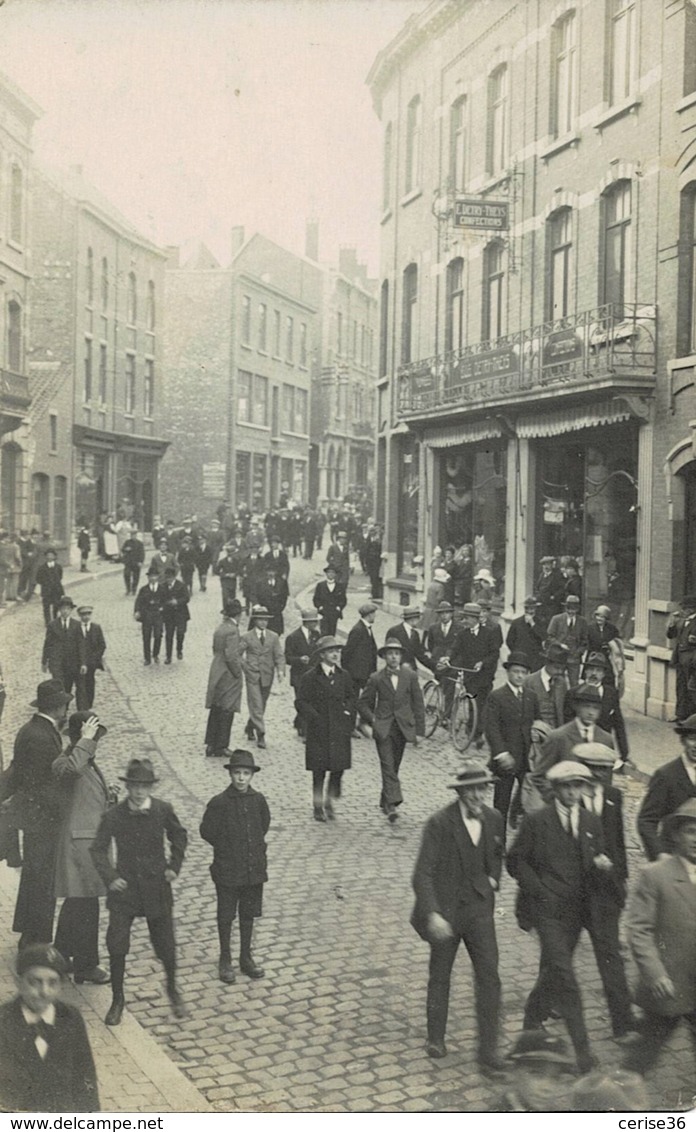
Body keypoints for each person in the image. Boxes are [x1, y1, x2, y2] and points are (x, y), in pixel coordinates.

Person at [507, 760, 613, 1074]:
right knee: (566, 977)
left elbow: (595, 862)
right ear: (555, 790)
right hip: (546, 912)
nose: (571, 792)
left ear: (584, 788)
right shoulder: (538, 821)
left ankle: (531, 1019)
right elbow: (515, 861)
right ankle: (582, 1053)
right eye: (565, 786)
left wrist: (601, 866)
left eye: (577, 786)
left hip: (577, 912)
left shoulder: (592, 821)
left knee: (553, 971)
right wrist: (539, 890)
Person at [410, 762, 506, 1076]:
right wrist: (433, 914)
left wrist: (493, 879)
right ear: (461, 791)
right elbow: (422, 874)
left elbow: (496, 854)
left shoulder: (494, 819)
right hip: (447, 912)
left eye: (483, 788)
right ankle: (435, 1037)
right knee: (440, 974)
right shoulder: (439, 823)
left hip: (479, 911)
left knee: (489, 976)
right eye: (472, 789)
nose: (478, 795)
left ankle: (489, 1050)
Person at [90, 758, 188, 1026]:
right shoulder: (113, 815)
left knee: (166, 944)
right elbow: (97, 849)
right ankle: (118, 999)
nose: (139, 792)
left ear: (150, 787)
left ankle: (172, 988)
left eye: (144, 786)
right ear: (128, 786)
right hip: (125, 891)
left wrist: (173, 866)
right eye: (134, 786)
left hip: (157, 887)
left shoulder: (162, 810)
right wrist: (110, 877)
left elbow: (179, 836)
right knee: (117, 945)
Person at [624, 798, 696, 1077]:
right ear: (677, 835)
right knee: (645, 1052)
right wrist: (655, 974)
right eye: (691, 831)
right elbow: (639, 930)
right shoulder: (656, 876)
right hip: (668, 983)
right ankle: (614, 1103)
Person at [571, 742, 636, 1041]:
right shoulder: (566, 798)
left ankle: (623, 1025)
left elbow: (618, 844)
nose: (601, 775)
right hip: (572, 895)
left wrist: (620, 882)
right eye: (595, 769)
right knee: (557, 962)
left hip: (604, 895)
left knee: (611, 958)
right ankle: (538, 1016)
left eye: (606, 770)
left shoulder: (614, 797)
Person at [0, 943, 99, 1112]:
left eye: (52, 983)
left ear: (61, 985)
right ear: (18, 982)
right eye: (34, 982)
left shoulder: (70, 1018)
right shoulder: (4, 1020)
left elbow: (85, 1076)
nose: (44, 991)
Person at [200, 749, 270, 984]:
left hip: (252, 869)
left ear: (252, 776)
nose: (241, 778)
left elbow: (263, 825)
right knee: (226, 914)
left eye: (246, 774)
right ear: (230, 775)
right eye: (237, 773)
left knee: (248, 914)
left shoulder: (258, 800)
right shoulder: (220, 803)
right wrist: (227, 847)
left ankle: (245, 957)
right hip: (228, 869)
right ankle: (225, 958)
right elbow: (207, 831)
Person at [11, 680, 72, 948]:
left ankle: (28, 932)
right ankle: (37, 938)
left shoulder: (33, 729)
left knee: (34, 876)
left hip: (33, 817)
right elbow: (45, 782)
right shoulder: (42, 736)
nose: (67, 707)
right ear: (57, 705)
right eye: (65, 703)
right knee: (43, 880)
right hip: (43, 819)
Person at [52, 712, 111, 986]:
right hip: (80, 845)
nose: (97, 741)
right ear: (81, 737)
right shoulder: (65, 763)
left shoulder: (87, 762)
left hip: (90, 843)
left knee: (79, 903)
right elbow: (72, 773)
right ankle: (86, 965)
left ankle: (60, 957)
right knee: (85, 904)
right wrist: (85, 741)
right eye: (94, 736)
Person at [358, 638, 425, 822]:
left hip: (403, 728)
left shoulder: (409, 676)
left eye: (396, 654)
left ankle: (385, 799)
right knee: (387, 764)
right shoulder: (376, 678)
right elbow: (363, 703)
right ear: (384, 657)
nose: (393, 657)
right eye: (390, 654)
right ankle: (393, 804)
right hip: (384, 728)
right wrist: (373, 720)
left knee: (394, 765)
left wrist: (420, 731)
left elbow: (418, 703)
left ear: (401, 656)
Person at [296, 636, 356, 822]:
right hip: (319, 730)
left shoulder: (344, 675)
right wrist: (314, 718)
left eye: (337, 651)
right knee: (319, 769)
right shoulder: (311, 677)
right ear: (322, 655)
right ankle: (318, 805)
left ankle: (329, 798)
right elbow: (301, 701)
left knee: (338, 768)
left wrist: (347, 714)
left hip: (339, 729)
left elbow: (352, 698)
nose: (335, 654)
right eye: (331, 651)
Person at [484, 651, 539, 836]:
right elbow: (491, 728)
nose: (520, 676)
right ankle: (498, 846)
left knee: (530, 802)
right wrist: (501, 754)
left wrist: (537, 746)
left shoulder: (531, 697)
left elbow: (537, 725)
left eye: (523, 672)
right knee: (501, 805)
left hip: (526, 761)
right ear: (508, 672)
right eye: (516, 671)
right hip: (505, 761)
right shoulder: (497, 696)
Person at [636, 713, 696, 860]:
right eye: (692, 739)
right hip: (674, 858)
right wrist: (660, 853)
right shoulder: (666, 775)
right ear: (683, 740)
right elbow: (646, 821)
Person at [535, 684, 614, 784]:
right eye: (586, 706)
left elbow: (607, 780)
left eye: (595, 708)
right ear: (576, 707)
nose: (591, 712)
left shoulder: (606, 739)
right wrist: (556, 797)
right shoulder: (558, 737)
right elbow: (539, 776)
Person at [564, 652, 630, 769]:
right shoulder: (573, 693)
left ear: (604, 674)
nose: (594, 673)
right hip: (579, 749)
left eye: (598, 670)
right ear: (585, 672)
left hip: (602, 749)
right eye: (591, 669)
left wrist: (624, 753)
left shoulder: (610, 694)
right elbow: (567, 723)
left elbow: (618, 723)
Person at [240, 605, 285, 749]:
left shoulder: (273, 636)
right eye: (260, 619)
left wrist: (280, 671)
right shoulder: (247, 637)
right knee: (257, 704)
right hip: (252, 675)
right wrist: (246, 668)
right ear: (255, 621)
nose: (263, 622)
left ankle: (249, 725)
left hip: (267, 675)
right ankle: (261, 734)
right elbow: (237, 654)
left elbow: (279, 655)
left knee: (261, 704)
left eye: (265, 620)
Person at [205, 599, 244, 757]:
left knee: (216, 707)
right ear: (239, 614)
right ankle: (222, 745)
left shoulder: (221, 628)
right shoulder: (233, 630)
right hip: (228, 673)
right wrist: (237, 673)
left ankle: (210, 744)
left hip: (217, 669)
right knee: (227, 709)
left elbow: (217, 649)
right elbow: (231, 656)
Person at [285, 608, 321, 739]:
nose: (316, 623)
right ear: (307, 622)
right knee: (303, 701)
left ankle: (300, 723)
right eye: (314, 621)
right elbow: (287, 658)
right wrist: (299, 660)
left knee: (311, 701)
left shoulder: (317, 635)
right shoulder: (293, 637)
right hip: (298, 675)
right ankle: (306, 732)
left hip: (313, 675)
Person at [42, 596, 81, 699]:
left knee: (68, 685)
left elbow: (80, 645)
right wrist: (44, 661)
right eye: (63, 609)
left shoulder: (77, 625)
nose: (65, 611)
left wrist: (82, 661)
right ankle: (61, 709)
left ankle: (65, 704)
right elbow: (48, 644)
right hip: (56, 660)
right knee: (58, 683)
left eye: (68, 609)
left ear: (71, 610)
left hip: (71, 661)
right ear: (59, 610)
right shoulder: (52, 625)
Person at [546, 595, 589, 688]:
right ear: (565, 608)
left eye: (573, 609)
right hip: (558, 658)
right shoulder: (556, 619)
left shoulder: (582, 622)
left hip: (574, 659)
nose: (571, 612)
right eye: (569, 609)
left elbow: (585, 641)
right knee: (556, 683)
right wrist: (560, 645)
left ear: (577, 609)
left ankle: (572, 702)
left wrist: (578, 652)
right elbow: (550, 637)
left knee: (574, 684)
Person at [342, 602, 378, 708]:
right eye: (374, 614)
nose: (375, 616)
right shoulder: (358, 630)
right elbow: (347, 651)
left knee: (369, 697)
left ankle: (365, 720)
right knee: (356, 699)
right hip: (358, 674)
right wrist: (347, 672)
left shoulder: (366, 628)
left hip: (365, 671)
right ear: (369, 615)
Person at [523, 643, 569, 730]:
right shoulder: (529, 682)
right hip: (535, 730)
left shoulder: (562, 683)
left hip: (557, 731)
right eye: (557, 668)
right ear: (547, 663)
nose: (560, 671)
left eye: (562, 669)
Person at [666, 594, 696, 722]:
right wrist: (672, 624)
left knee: (691, 689)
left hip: (691, 660)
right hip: (680, 658)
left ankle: (691, 718)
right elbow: (670, 636)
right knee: (680, 686)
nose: (682, 611)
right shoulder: (681, 620)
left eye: (684, 608)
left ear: (692, 609)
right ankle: (680, 714)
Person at [74, 604, 106, 711]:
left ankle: (89, 703)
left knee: (90, 683)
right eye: (83, 615)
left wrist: (94, 659)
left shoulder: (96, 628)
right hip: (78, 662)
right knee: (80, 684)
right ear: (79, 616)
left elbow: (102, 645)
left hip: (92, 662)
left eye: (88, 614)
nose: (86, 617)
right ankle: (81, 707)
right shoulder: (76, 628)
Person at [134, 564, 165, 666]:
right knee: (146, 636)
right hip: (147, 615)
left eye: (155, 576)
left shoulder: (162, 588)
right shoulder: (144, 589)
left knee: (158, 635)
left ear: (158, 577)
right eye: (150, 576)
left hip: (158, 615)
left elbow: (166, 600)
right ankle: (147, 658)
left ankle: (155, 654)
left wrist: (163, 608)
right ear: (148, 577)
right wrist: (137, 611)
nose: (152, 578)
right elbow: (138, 601)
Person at [506, 597, 545, 675]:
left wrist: (533, 624)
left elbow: (543, 636)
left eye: (532, 609)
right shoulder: (516, 622)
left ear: (535, 609)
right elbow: (509, 640)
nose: (529, 611)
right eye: (527, 608)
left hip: (535, 658)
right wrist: (517, 651)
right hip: (521, 657)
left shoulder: (541, 622)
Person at [160, 564, 190, 663]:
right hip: (169, 615)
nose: (168, 580)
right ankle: (168, 656)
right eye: (166, 577)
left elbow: (186, 598)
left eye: (170, 578)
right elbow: (160, 599)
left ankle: (179, 649)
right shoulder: (162, 587)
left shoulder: (181, 585)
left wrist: (177, 601)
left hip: (181, 614)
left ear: (174, 577)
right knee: (169, 635)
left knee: (180, 633)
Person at [312, 563, 347, 636]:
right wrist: (319, 606)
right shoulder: (320, 585)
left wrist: (339, 607)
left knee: (332, 631)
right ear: (326, 574)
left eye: (332, 572)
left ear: (335, 574)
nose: (330, 574)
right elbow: (316, 598)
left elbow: (343, 599)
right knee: (324, 632)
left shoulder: (340, 586)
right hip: (324, 612)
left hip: (334, 612)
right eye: (329, 572)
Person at [255, 566, 289, 637]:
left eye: (273, 571)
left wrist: (280, 607)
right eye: (269, 571)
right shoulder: (260, 583)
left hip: (276, 613)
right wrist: (258, 606)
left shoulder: (282, 582)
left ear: (276, 572)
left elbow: (284, 596)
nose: (271, 574)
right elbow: (254, 595)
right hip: (264, 612)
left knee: (276, 633)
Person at [36, 549, 64, 627]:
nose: (50, 557)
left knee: (56, 605)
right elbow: (38, 578)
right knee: (46, 606)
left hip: (56, 590)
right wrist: (45, 584)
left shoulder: (58, 567)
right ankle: (47, 621)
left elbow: (60, 576)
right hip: (46, 590)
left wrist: (56, 584)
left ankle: (55, 619)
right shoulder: (42, 567)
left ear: (54, 556)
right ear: (45, 557)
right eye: (48, 555)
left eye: (51, 555)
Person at [536, 556, 566, 629]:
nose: (546, 567)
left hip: (552, 605)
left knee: (551, 623)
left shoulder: (557, 576)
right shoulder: (541, 575)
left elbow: (562, 589)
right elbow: (537, 588)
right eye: (544, 565)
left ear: (552, 565)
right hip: (542, 604)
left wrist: (554, 596)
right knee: (541, 623)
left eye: (548, 564)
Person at [120, 528, 145, 596]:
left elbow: (142, 553)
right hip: (128, 562)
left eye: (134, 535)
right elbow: (122, 550)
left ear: (136, 535)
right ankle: (128, 589)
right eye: (132, 535)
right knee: (126, 575)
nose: (133, 536)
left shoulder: (139, 543)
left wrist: (141, 562)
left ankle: (134, 589)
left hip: (136, 562)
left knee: (136, 577)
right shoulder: (127, 542)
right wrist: (126, 549)